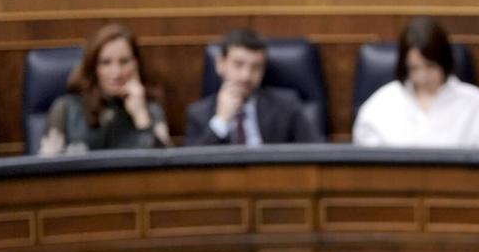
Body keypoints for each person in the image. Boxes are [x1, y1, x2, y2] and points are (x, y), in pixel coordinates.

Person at [353, 17, 479, 147]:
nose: (423, 77)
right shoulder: (379, 106)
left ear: (444, 62)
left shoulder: (478, 106)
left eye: (430, 66)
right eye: (414, 68)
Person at [39, 23, 171, 155]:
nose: (116, 73)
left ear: (136, 64)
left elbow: (167, 164)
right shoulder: (65, 109)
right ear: (93, 67)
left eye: (124, 61)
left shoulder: (150, 109)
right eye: (106, 62)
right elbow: (46, 165)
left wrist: (141, 117)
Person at [184, 28, 325, 146]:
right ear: (220, 64)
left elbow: (317, 151)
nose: (246, 75)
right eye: (238, 64)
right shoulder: (198, 114)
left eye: (256, 67)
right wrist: (221, 121)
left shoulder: (286, 105)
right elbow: (190, 165)